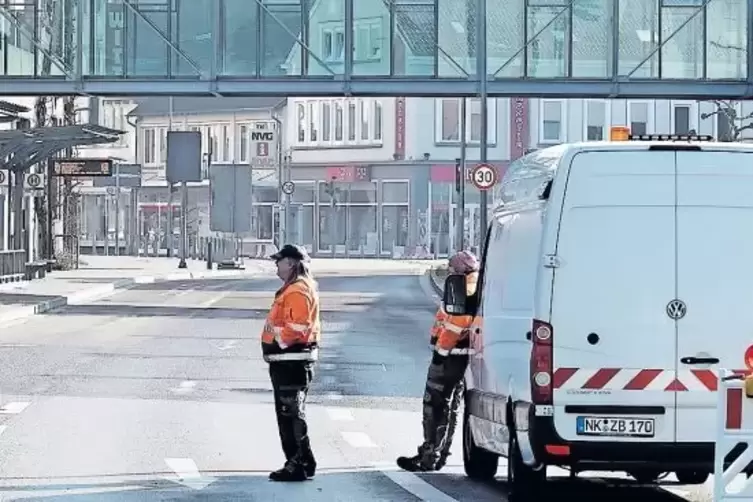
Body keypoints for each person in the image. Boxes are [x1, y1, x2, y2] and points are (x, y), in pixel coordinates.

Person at [397, 250, 480, 472]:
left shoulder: (464, 287)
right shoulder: (475, 283)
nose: (449, 273)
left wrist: (441, 352)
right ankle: (436, 453)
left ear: (461, 268)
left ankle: (430, 454)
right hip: (460, 357)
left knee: (434, 404)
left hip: (450, 357)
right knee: (449, 407)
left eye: (452, 269)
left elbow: (456, 324)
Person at [263, 244, 321, 482]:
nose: (276, 265)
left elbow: (298, 328)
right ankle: (303, 461)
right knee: (291, 413)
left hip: (291, 362)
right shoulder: (294, 289)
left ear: (292, 264)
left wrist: (279, 342)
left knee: (290, 414)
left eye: (279, 261)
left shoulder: (297, 291)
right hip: (288, 361)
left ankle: (297, 464)